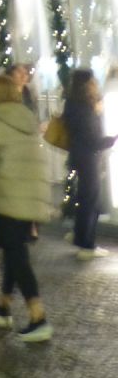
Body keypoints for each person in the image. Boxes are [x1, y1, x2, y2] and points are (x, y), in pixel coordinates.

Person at [0, 73, 51, 342]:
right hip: (31, 197)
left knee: (17, 255)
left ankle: (38, 315)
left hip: (6, 197)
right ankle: (3, 305)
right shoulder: (27, 120)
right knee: (13, 251)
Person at [63, 68, 116, 259]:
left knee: (85, 198)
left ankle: (81, 237)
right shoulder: (85, 107)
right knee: (89, 200)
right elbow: (91, 137)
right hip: (88, 157)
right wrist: (111, 140)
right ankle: (86, 245)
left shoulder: (73, 103)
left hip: (80, 156)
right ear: (88, 83)